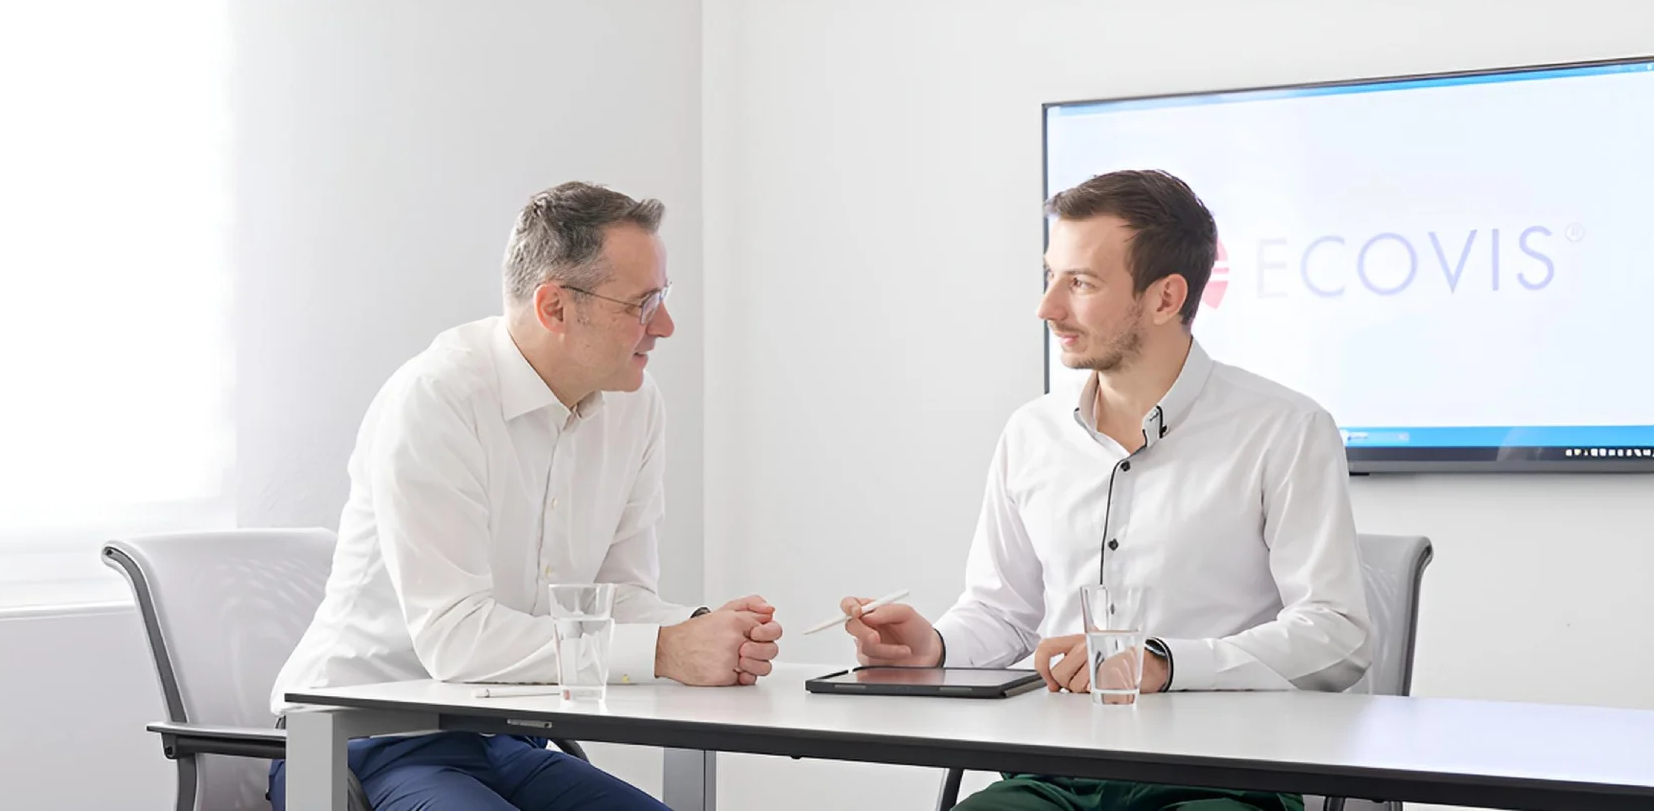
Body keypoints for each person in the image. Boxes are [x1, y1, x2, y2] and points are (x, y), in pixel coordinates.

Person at [840, 170, 1371, 811]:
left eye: (1081, 283)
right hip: (1054, 773)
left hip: (1222, 777)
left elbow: (1336, 634)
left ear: (1166, 297)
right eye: (1050, 276)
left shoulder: (1285, 428)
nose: (1047, 307)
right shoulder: (1031, 433)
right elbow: (1002, 613)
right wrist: (936, 646)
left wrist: (1165, 663)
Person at [269, 181, 783, 811]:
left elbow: (615, 597)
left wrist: (703, 631)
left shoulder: (635, 406)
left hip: (505, 738)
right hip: (360, 740)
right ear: (555, 307)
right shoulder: (439, 398)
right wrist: (666, 650)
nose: (666, 326)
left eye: (663, 298)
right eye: (643, 304)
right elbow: (456, 638)